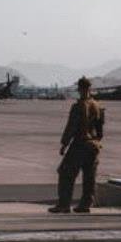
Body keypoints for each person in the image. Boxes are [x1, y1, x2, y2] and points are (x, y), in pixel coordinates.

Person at [49, 76, 104, 213]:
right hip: (93, 146)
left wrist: (64, 144)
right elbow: (100, 130)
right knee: (89, 176)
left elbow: (71, 127)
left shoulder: (78, 106)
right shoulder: (97, 106)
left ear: (79, 89)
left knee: (65, 173)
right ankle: (86, 204)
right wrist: (96, 142)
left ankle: (64, 204)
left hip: (80, 144)